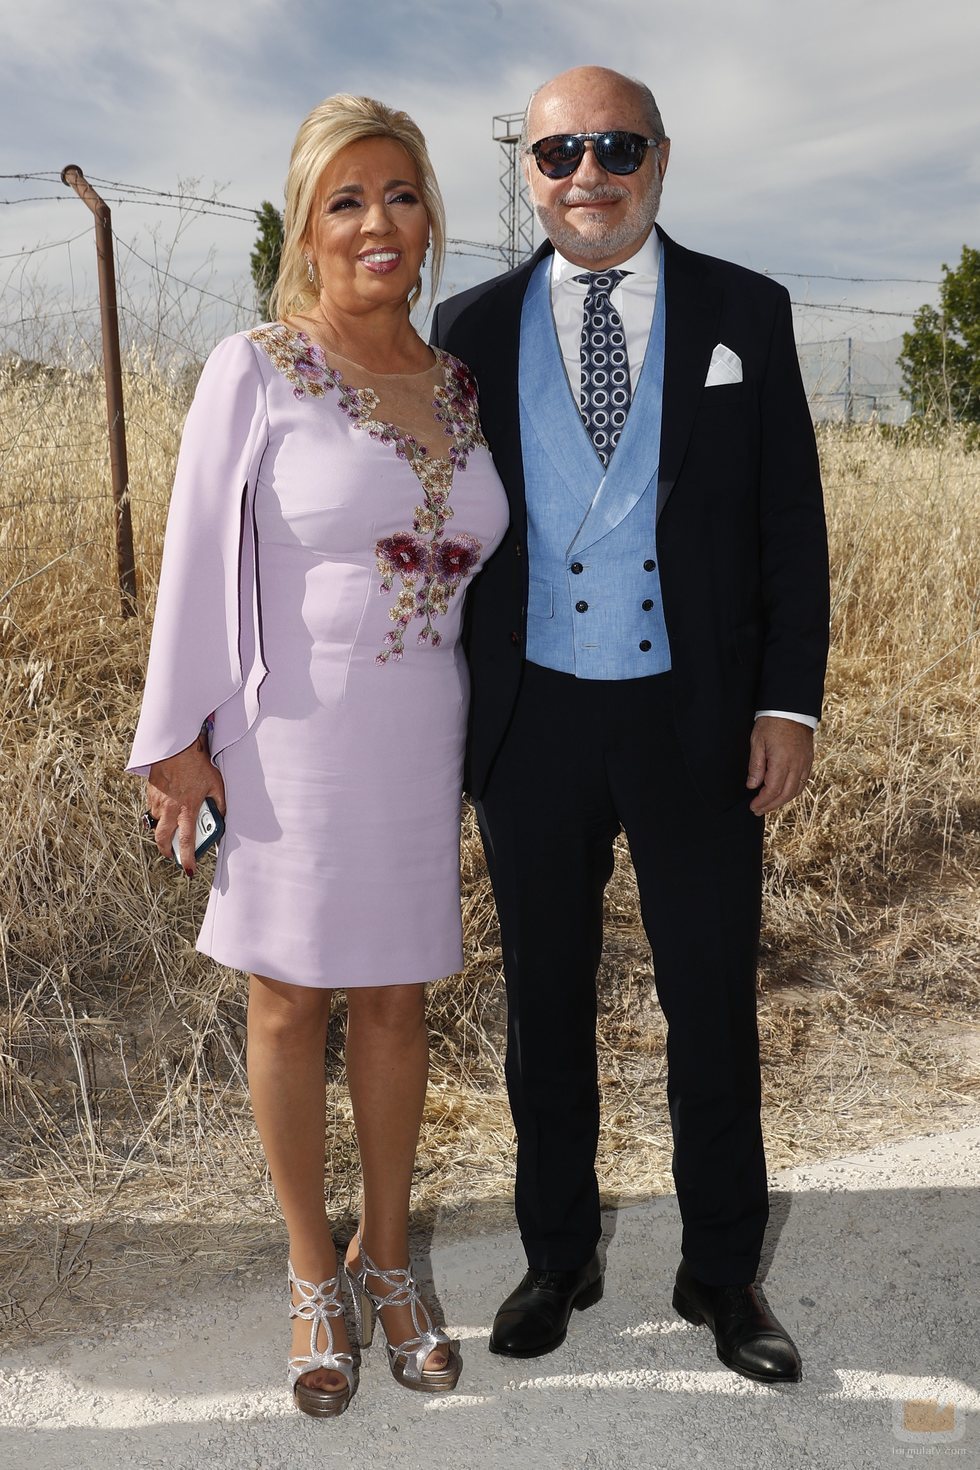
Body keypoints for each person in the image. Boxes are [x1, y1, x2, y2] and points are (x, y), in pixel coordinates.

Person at [431, 65, 830, 1384]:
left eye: (614, 147)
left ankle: (723, 1274)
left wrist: (787, 701)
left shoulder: (744, 313)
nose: (586, 174)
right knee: (544, 1005)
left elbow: (788, 528)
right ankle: (558, 1256)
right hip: (532, 717)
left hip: (698, 717)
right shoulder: (467, 327)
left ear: (659, 157)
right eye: (558, 154)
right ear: (528, 170)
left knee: (709, 997)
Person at [128, 94, 508, 1417]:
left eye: (399, 194)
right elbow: (191, 561)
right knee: (289, 1000)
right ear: (305, 225)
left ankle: (390, 1259)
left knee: (400, 1000)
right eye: (344, 200)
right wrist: (176, 740)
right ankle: (311, 1268)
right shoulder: (255, 365)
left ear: (429, 215)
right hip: (285, 736)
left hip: (420, 732)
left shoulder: (458, 379)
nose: (376, 223)